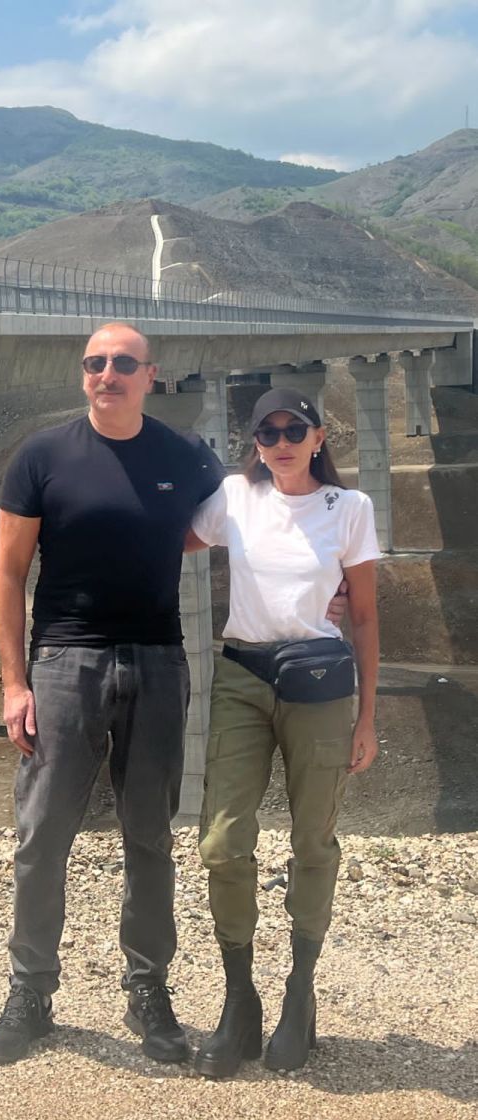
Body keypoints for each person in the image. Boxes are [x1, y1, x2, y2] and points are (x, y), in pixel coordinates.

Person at [0, 322, 227, 1066]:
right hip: (64, 662)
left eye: (122, 362)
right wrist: (14, 683)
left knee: (149, 836)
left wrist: (331, 591)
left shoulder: (186, 456)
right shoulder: (42, 456)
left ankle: (148, 990)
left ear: (152, 374)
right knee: (42, 835)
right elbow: (8, 573)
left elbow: (236, 525)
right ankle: (30, 994)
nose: (106, 373)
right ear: (83, 373)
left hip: (158, 661)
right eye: (94, 362)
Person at [186, 387, 380, 1078]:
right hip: (242, 676)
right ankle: (240, 999)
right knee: (221, 841)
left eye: (294, 430)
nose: (281, 443)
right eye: (267, 433)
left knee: (312, 840)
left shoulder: (349, 508)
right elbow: (167, 540)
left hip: (320, 683)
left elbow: (364, 615)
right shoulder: (234, 497)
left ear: (319, 437)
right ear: (256, 444)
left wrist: (368, 716)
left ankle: (300, 993)